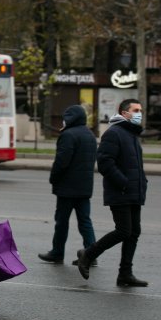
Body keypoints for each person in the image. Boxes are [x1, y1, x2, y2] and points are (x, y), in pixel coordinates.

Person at [76, 98, 149, 287]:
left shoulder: (131, 134)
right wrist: (123, 183)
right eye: (135, 110)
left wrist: (142, 183)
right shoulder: (114, 133)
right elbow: (105, 163)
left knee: (134, 232)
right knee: (123, 231)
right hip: (121, 191)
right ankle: (88, 254)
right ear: (124, 113)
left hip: (134, 191)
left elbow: (135, 165)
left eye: (140, 110)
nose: (139, 113)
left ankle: (125, 274)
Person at [38, 105, 97, 266]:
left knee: (61, 222)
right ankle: (91, 254)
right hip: (85, 187)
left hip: (67, 188)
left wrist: (53, 179)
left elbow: (61, 162)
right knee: (85, 221)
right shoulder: (90, 135)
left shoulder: (68, 135)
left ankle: (57, 252)